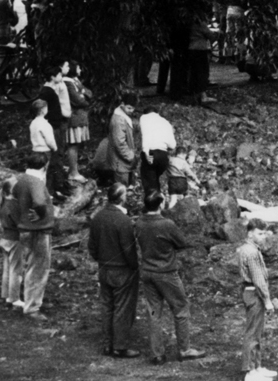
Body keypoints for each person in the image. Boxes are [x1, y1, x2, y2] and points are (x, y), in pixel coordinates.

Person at [135, 190, 205, 361]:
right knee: (180, 307)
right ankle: (184, 349)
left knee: (154, 312)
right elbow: (182, 243)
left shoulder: (139, 222)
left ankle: (157, 353)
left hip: (147, 271)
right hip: (165, 272)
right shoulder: (166, 224)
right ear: (160, 204)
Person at [88, 183, 141, 357]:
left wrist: (101, 260)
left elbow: (92, 246)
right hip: (122, 270)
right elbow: (128, 249)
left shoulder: (98, 217)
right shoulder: (123, 221)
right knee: (122, 308)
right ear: (121, 197)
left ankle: (107, 344)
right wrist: (134, 266)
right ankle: (120, 346)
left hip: (104, 268)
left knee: (107, 306)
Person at [13, 151, 54, 317]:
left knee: (28, 266)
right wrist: (41, 214)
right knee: (38, 269)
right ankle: (32, 307)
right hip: (37, 230)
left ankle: (30, 300)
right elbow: (39, 201)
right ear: (45, 165)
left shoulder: (19, 179)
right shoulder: (36, 181)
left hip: (23, 228)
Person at [238, 224, 278, 381]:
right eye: (259, 233)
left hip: (252, 291)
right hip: (254, 292)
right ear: (250, 233)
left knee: (257, 331)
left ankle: (257, 366)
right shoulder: (251, 252)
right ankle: (250, 371)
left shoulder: (248, 249)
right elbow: (258, 279)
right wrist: (267, 300)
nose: (263, 236)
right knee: (253, 332)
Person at [138, 101, 177, 201]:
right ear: (157, 113)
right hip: (163, 156)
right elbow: (172, 145)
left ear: (145, 113)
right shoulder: (165, 122)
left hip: (151, 153)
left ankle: (154, 207)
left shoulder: (144, 118)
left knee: (149, 182)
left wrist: (146, 153)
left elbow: (145, 136)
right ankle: (159, 200)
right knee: (154, 180)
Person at [0, 171, 23, 309]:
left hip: (5, 239)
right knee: (16, 270)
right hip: (15, 239)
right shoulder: (14, 205)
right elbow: (20, 223)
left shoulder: (3, 204)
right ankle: (14, 298)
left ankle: (6, 295)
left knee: (7, 269)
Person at [109, 93, 140, 189]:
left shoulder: (123, 115)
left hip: (125, 160)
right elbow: (119, 142)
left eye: (133, 108)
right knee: (121, 189)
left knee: (127, 187)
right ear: (122, 104)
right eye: (129, 108)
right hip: (121, 161)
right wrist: (130, 156)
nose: (132, 111)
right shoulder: (119, 120)